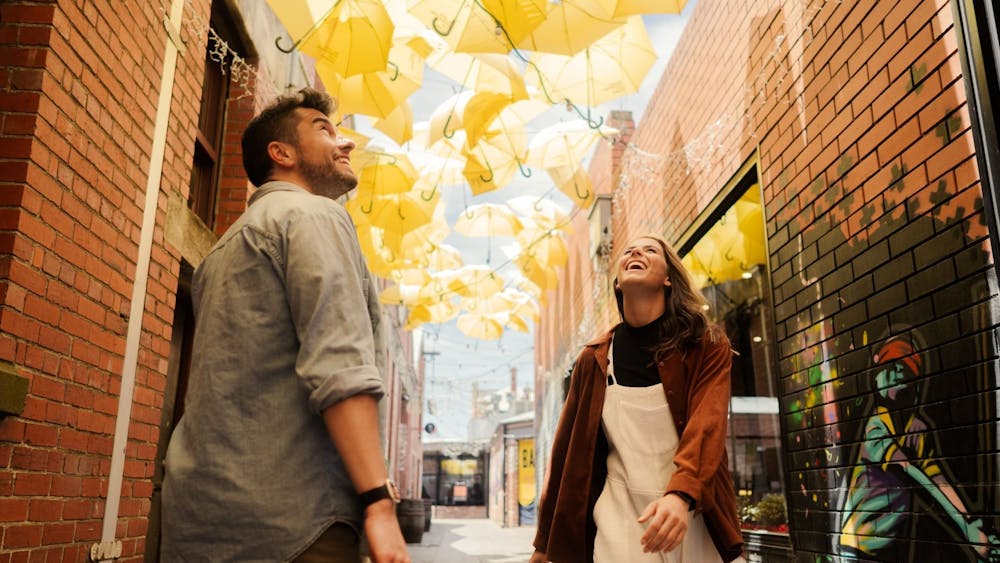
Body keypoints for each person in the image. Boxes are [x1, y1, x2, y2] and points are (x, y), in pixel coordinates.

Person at [161, 88, 410, 563]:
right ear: (282, 153)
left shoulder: (222, 251)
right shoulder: (312, 215)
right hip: (295, 525)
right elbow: (339, 367)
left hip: (199, 520)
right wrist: (378, 504)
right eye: (324, 129)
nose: (346, 143)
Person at [531, 234, 744, 563]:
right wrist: (544, 545)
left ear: (668, 277)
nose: (635, 252)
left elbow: (707, 424)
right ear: (617, 283)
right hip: (619, 518)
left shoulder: (705, 344)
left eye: (649, 250)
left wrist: (681, 494)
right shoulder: (593, 359)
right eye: (629, 250)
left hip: (693, 512)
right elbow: (564, 455)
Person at [838, 335, 999, 560]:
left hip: (892, 550)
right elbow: (911, 471)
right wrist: (966, 529)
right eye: (889, 368)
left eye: (902, 369)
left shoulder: (914, 431)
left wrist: (971, 523)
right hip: (859, 550)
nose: (895, 374)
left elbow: (938, 480)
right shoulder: (876, 427)